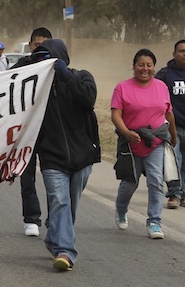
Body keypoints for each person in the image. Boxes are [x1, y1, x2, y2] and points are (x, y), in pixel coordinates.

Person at [32, 39, 100, 271]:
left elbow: (87, 99)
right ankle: (66, 252)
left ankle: (55, 238)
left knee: (70, 205)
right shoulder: (35, 89)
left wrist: (65, 76)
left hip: (82, 156)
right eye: (39, 58)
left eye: (48, 57)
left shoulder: (82, 77)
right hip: (52, 157)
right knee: (60, 201)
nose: (44, 62)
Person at [112, 48, 177, 240]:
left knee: (156, 181)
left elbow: (168, 113)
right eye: (141, 64)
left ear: (154, 67)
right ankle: (121, 209)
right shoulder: (122, 87)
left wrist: (173, 136)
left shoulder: (161, 87)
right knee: (129, 183)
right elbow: (116, 115)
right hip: (131, 143)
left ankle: (154, 222)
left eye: (149, 65)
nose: (145, 68)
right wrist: (126, 132)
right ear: (134, 66)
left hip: (155, 142)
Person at [12, 27, 53, 237]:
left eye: (46, 45)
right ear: (30, 46)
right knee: (27, 178)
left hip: (51, 132)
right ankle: (31, 219)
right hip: (26, 132)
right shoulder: (21, 67)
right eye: (38, 45)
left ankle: (54, 220)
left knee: (53, 179)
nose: (42, 49)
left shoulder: (58, 68)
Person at [156, 39, 185, 209]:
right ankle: (174, 194)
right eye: (181, 51)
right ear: (174, 54)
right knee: (174, 160)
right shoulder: (165, 74)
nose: (184, 54)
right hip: (172, 125)